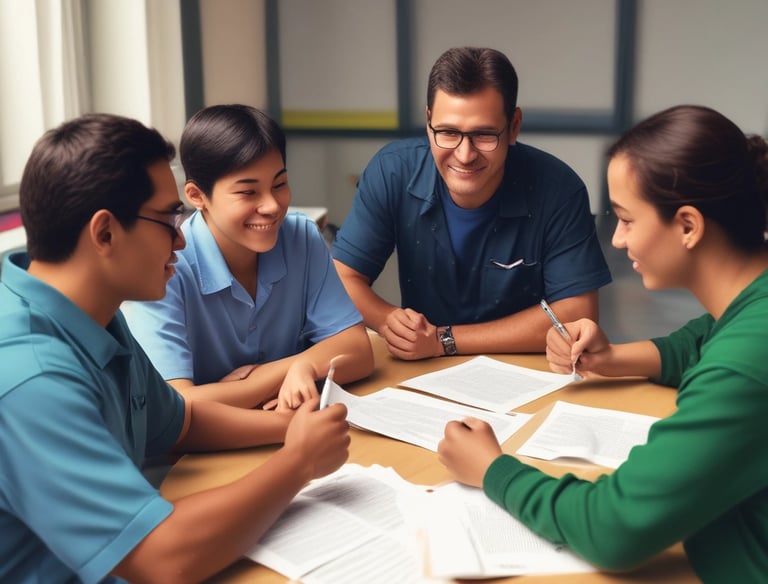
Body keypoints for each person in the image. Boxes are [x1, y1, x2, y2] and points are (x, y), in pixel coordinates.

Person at [0, 113, 350, 583]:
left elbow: (180, 422)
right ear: (104, 234)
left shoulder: (94, 313)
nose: (183, 238)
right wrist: (298, 462)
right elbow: (160, 558)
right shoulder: (30, 374)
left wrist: (291, 427)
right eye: (169, 219)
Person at [438, 105, 768, 581]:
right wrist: (611, 358)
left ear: (689, 226)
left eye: (627, 220)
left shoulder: (745, 363)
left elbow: (613, 529)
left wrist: (492, 470)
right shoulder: (748, 309)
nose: (616, 240)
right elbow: (703, 341)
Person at [332, 46, 612, 360]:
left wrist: (443, 341)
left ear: (514, 126)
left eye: (484, 135)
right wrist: (387, 321)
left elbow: (577, 313)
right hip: (423, 371)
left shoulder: (559, 188)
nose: (465, 155)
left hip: (526, 369)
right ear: (428, 122)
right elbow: (343, 277)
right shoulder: (393, 171)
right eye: (448, 132)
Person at [126, 105, 374, 410]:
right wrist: (289, 373)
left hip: (292, 426)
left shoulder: (301, 236)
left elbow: (358, 350)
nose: (271, 205)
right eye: (247, 192)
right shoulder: (165, 264)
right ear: (196, 195)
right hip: (206, 451)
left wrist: (301, 368)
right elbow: (175, 406)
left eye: (279, 184)